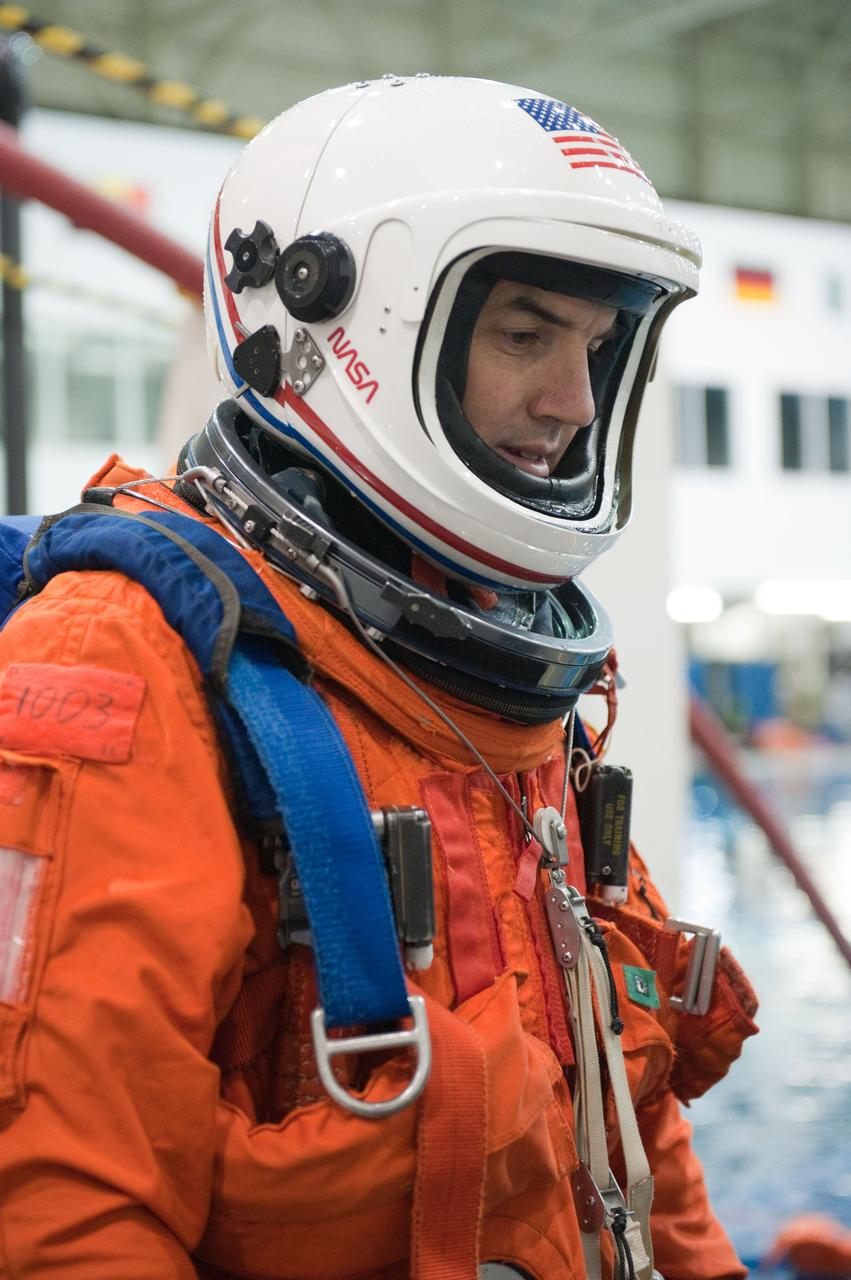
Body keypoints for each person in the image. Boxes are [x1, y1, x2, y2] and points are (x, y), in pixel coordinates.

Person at [0, 75, 759, 1279]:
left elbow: (619, 1123)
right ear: (330, 320)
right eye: (523, 332)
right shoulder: (129, 663)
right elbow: (66, 1216)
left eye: (594, 348)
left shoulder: (516, 687)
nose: (569, 403)